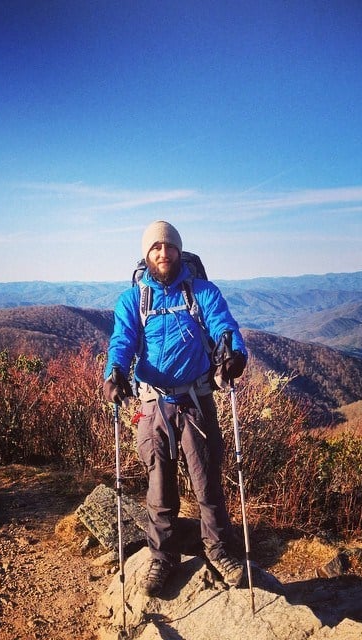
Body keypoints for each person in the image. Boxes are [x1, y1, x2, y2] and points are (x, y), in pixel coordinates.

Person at [103, 220, 248, 597]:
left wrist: (234, 354)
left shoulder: (202, 292)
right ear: (146, 254)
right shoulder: (134, 299)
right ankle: (163, 557)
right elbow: (122, 340)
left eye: (168, 247)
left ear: (179, 252)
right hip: (153, 405)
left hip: (195, 400)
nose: (163, 253)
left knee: (207, 484)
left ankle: (219, 551)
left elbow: (224, 326)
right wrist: (114, 371)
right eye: (155, 248)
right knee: (159, 487)